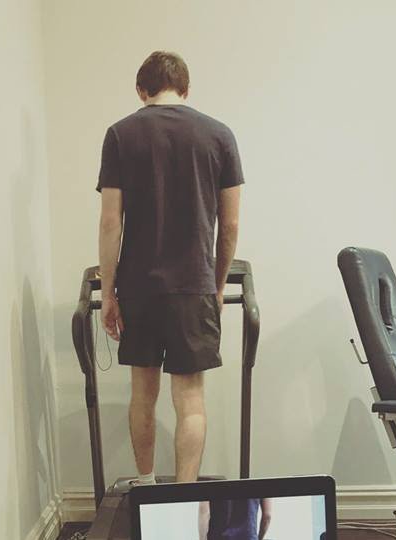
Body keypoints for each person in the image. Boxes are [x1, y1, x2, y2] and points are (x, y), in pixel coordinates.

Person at [97, 50, 243, 484]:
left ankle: (145, 488)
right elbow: (230, 225)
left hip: (139, 287)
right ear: (186, 89)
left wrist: (110, 292)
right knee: (190, 400)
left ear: (140, 90)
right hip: (193, 286)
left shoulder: (120, 134)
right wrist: (216, 286)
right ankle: (184, 496)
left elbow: (110, 221)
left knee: (143, 394)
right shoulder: (219, 135)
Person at [198, 499, 272, 540]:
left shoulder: (210, 477)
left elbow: (204, 511)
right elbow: (267, 516)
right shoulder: (261, 478)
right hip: (248, 536)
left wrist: (202, 538)